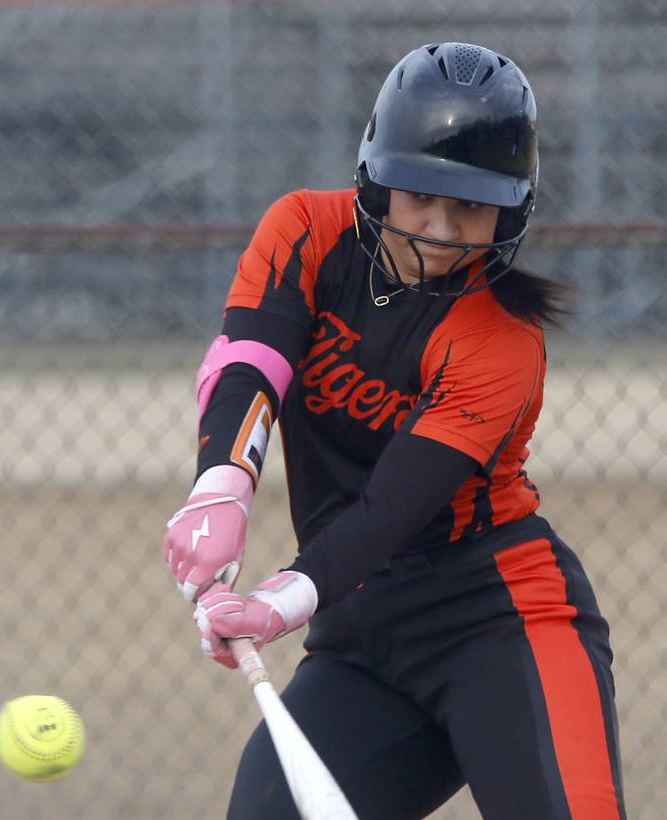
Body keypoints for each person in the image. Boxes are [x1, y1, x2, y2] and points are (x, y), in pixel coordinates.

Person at [162, 42, 626, 820]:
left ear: (510, 212)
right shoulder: (305, 230)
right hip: (363, 639)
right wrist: (223, 485)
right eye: (420, 198)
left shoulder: (502, 338)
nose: (441, 231)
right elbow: (250, 358)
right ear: (376, 178)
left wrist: (281, 599)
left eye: (471, 208)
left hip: (501, 625)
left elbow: (395, 506)